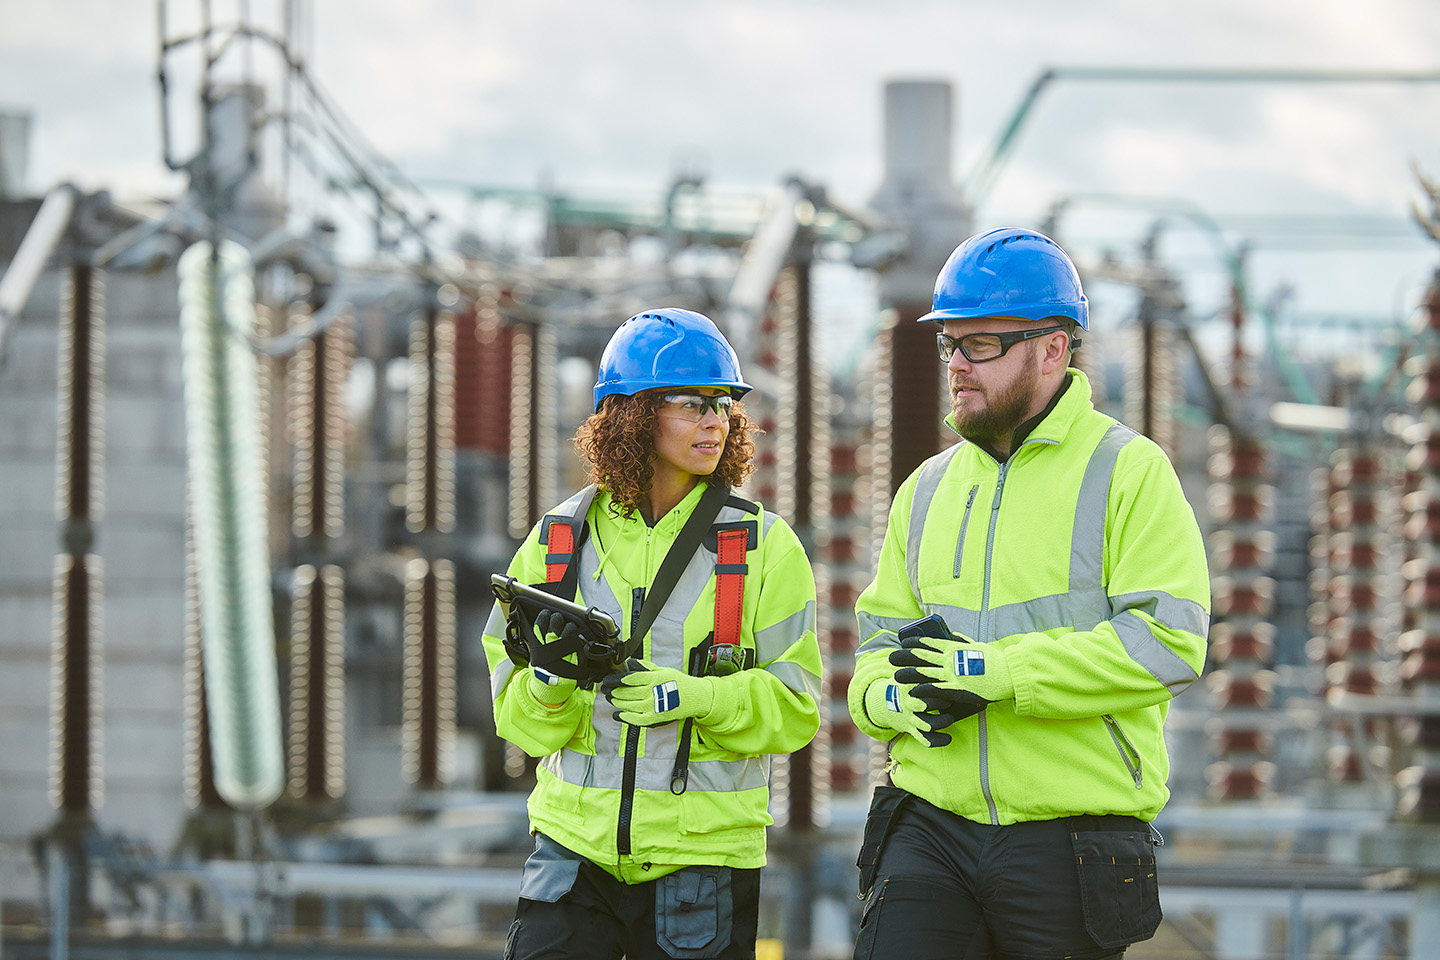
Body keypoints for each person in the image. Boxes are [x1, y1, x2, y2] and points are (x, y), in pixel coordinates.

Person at [847, 227, 1210, 960]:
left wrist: (995, 674)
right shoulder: (926, 489)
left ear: (1053, 348)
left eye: (981, 345)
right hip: (928, 822)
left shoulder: (1130, 472)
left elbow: (1168, 643)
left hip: (1069, 838)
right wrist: (895, 700)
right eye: (950, 343)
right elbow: (873, 656)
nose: (957, 365)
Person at [482, 307, 823, 960]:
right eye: (691, 404)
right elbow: (519, 721)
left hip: (703, 861)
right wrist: (548, 684)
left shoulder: (762, 547)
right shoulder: (558, 540)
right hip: (570, 853)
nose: (714, 420)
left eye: (723, 404)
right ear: (634, 415)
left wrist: (694, 698)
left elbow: (797, 708)